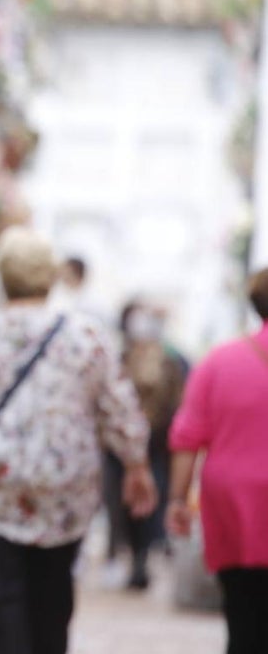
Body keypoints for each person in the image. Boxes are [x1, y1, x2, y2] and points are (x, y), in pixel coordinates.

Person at [0, 227, 156, 654]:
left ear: (2, 275)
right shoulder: (86, 335)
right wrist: (136, 465)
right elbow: (120, 408)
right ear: (51, 277)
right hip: (66, 487)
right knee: (53, 592)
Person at [167, 268, 268, 654]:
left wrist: (177, 500)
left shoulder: (219, 362)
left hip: (234, 503)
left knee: (243, 610)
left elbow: (187, 438)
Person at [103, 300, 187, 590]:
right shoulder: (166, 359)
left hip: (133, 449)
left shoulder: (130, 358)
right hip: (149, 448)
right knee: (140, 504)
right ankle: (138, 558)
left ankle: (134, 559)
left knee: (127, 505)